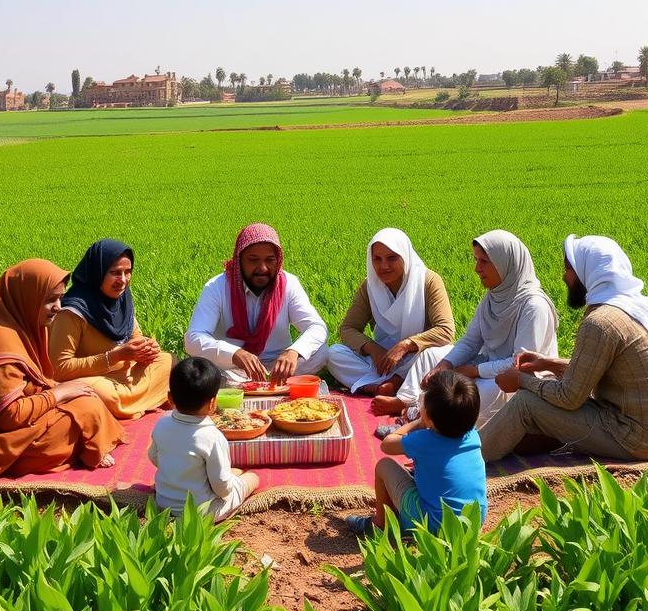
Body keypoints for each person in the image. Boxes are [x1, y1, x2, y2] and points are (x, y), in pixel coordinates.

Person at [480, 234, 648, 462]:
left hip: (642, 440)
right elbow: (594, 371)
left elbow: (570, 397)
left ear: (586, 272)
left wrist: (521, 380)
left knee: (525, 403)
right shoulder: (634, 307)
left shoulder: (601, 322)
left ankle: (467, 458)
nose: (564, 277)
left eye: (568, 270)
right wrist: (547, 363)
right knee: (547, 385)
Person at [0, 259, 124, 478]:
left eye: (60, 298)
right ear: (27, 299)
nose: (58, 307)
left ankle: (88, 439)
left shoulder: (16, 323)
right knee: (82, 413)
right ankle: (86, 445)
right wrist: (58, 393)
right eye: (50, 300)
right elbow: (9, 416)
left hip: (4, 423)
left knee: (86, 399)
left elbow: (29, 381)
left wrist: (58, 389)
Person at [408, 230, 558, 427]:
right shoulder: (493, 298)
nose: (477, 269)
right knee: (431, 355)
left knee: (482, 390)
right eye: (476, 260)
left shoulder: (533, 306)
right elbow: (471, 340)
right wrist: (444, 365)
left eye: (484, 262)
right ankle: (418, 410)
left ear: (506, 263)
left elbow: (521, 364)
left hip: (520, 381)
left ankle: (424, 418)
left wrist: (475, 371)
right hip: (487, 364)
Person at [326, 228, 454, 414]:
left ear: (405, 256)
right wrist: (374, 349)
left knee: (442, 353)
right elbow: (347, 328)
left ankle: (399, 393)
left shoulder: (428, 281)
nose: (383, 266)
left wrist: (406, 345)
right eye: (377, 259)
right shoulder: (369, 286)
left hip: (416, 358)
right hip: (383, 361)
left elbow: (446, 331)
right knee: (333, 353)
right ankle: (384, 386)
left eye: (392, 258)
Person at [346, 370, 487, 535]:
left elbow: (387, 444)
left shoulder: (424, 440)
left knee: (384, 466)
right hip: (473, 521)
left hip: (432, 525)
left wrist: (418, 423)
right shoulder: (473, 435)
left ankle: (380, 525)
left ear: (429, 416)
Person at [185, 223, 328, 385]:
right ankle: (273, 385)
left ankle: (267, 382)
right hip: (233, 368)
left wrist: (293, 352)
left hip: (277, 366)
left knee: (322, 352)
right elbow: (193, 338)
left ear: (278, 260)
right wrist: (235, 353)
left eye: (270, 260)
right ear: (240, 260)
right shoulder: (217, 287)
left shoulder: (289, 284)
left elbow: (317, 327)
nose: (262, 268)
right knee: (202, 367)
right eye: (253, 260)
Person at [49, 239, 173, 419]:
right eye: (115, 273)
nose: (122, 280)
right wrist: (115, 356)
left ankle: (132, 404)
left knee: (167, 361)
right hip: (97, 380)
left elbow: (134, 337)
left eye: (127, 272)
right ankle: (138, 403)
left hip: (125, 375)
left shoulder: (122, 299)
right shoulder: (71, 312)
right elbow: (60, 368)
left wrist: (146, 348)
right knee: (100, 393)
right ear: (97, 272)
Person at [149, 357, 260, 520]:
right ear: (212, 403)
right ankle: (246, 479)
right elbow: (222, 488)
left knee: (226, 473)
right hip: (201, 513)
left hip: (164, 504)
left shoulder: (161, 424)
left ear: (170, 398)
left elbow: (153, 457)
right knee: (251, 478)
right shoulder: (212, 436)